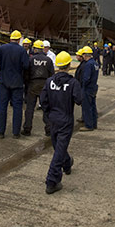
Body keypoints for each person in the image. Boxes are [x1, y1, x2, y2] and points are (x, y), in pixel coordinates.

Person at [41, 51, 82, 194]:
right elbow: (79, 100)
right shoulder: (72, 83)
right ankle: (52, 181)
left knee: (58, 146)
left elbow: (43, 101)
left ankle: (67, 162)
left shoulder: (49, 81)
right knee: (59, 149)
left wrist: (48, 114)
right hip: (65, 119)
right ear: (69, 65)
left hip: (53, 119)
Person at [0, 30, 30, 138]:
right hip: (17, 83)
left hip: (4, 82)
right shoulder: (22, 51)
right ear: (20, 39)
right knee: (17, 108)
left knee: (2, 107)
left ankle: (1, 132)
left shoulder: (3, 48)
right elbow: (26, 66)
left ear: (10, 38)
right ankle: (16, 133)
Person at [22, 40, 54, 137]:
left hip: (33, 84)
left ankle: (27, 129)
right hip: (44, 84)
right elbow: (52, 74)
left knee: (30, 108)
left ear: (35, 49)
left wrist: (27, 84)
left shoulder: (31, 59)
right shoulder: (48, 60)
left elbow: (26, 73)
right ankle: (48, 129)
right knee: (46, 108)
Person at [80, 46, 99, 131]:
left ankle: (88, 125)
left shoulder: (88, 64)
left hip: (88, 88)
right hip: (94, 87)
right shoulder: (95, 63)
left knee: (87, 107)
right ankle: (94, 124)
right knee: (93, 106)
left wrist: (82, 86)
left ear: (85, 55)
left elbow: (86, 78)